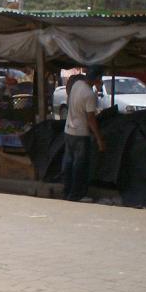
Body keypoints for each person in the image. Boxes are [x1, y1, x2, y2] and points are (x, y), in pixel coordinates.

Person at [62, 67, 105, 202]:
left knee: (68, 163)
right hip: (81, 133)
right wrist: (99, 139)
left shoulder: (77, 84)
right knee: (79, 166)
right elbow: (91, 119)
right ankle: (76, 194)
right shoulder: (89, 94)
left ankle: (67, 191)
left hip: (68, 130)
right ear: (97, 79)